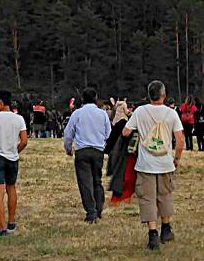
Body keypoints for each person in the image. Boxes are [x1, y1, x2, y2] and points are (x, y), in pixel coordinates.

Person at [122, 80, 185, 250]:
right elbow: (180, 140)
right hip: (165, 162)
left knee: (147, 198)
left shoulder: (140, 111)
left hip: (145, 164)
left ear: (149, 95)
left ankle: (152, 234)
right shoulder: (171, 114)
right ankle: (166, 228)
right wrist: (177, 158)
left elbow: (125, 131)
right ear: (163, 95)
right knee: (165, 195)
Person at [63, 87, 112, 223]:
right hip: (98, 151)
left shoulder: (77, 113)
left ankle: (91, 212)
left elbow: (68, 133)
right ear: (96, 98)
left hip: (82, 151)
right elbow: (109, 133)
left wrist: (68, 148)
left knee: (85, 182)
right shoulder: (102, 114)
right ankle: (99, 208)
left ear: (83, 99)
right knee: (97, 180)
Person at [0, 90, 28, 236]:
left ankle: (2, 228)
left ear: (1, 102)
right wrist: (16, 150)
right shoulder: (19, 119)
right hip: (12, 157)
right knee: (11, 188)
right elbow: (24, 141)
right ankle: (11, 221)